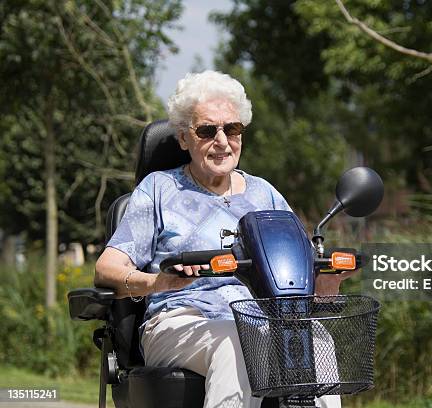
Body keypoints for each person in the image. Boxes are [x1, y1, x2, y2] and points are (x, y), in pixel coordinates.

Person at [94, 71, 354, 408]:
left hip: (264, 322)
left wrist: (330, 282)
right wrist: (159, 282)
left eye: (231, 129)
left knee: (316, 340)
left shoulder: (266, 194)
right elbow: (107, 268)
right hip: (181, 320)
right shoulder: (158, 189)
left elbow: (302, 287)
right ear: (184, 138)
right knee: (237, 341)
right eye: (207, 131)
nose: (222, 141)